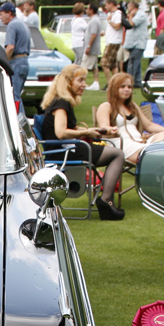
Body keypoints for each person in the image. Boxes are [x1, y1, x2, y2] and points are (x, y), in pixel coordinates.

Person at [38, 64, 126, 219]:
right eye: (80, 80)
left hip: (67, 149)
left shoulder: (60, 101)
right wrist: (86, 132)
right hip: (65, 152)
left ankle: (105, 200)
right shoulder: (61, 103)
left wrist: (96, 131)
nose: (84, 84)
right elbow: (61, 132)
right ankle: (106, 200)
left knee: (115, 153)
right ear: (68, 82)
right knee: (117, 154)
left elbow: (67, 129)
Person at [96, 72, 164, 164]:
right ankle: (150, 153)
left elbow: (149, 126)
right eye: (122, 86)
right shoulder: (106, 106)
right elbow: (103, 127)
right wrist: (111, 129)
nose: (127, 89)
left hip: (140, 142)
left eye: (129, 87)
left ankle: (150, 151)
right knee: (155, 153)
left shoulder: (132, 106)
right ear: (114, 88)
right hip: (122, 144)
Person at [0, 2, 31, 112]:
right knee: (17, 95)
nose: (0, 17)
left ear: (9, 13)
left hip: (16, 63)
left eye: (1, 14)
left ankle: (18, 121)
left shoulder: (12, 25)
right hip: (24, 62)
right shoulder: (22, 24)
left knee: (14, 97)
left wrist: (2, 62)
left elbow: (10, 48)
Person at [123, 0, 149, 88]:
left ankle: (129, 81)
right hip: (133, 43)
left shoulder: (141, 15)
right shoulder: (135, 15)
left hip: (138, 44)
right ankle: (138, 82)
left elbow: (132, 24)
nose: (127, 8)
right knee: (137, 63)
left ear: (133, 6)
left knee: (132, 63)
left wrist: (130, 16)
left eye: (129, 6)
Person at [101, 0, 124, 85]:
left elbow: (117, 26)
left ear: (111, 4)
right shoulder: (110, 14)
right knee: (114, 65)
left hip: (114, 41)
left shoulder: (118, 14)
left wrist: (110, 21)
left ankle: (109, 82)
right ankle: (116, 82)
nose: (105, 7)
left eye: (107, 5)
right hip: (110, 40)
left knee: (104, 63)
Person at [82, 4, 103, 90]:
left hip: (91, 48)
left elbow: (93, 34)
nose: (86, 10)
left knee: (84, 67)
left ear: (91, 10)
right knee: (95, 67)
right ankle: (96, 83)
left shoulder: (94, 20)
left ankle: (82, 83)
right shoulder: (95, 19)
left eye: (87, 9)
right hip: (93, 48)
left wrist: (89, 46)